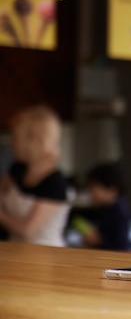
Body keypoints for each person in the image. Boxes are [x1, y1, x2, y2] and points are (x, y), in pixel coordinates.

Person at [0, 105, 69, 246]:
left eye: (15, 136)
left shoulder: (55, 182)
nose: (11, 142)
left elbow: (28, 231)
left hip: (44, 256)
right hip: (13, 251)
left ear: (33, 141)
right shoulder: (17, 170)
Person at [71, 162, 131, 251]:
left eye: (93, 188)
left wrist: (98, 241)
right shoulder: (105, 208)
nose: (91, 193)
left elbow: (121, 246)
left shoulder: (118, 212)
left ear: (111, 188)